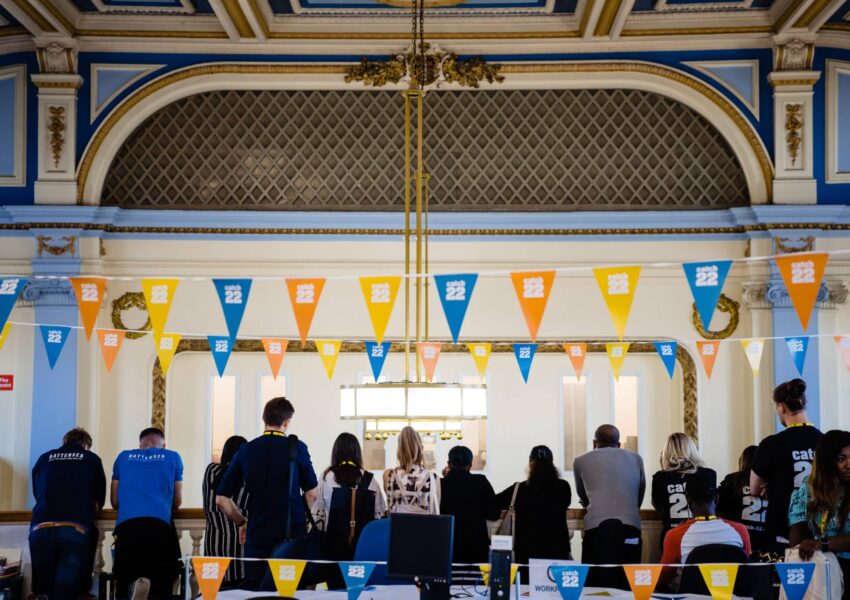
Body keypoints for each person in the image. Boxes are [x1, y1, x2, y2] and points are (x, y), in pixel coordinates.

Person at [216, 397, 318, 590]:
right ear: (286, 422)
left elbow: (221, 500)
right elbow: (312, 493)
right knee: (289, 592)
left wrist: (242, 523)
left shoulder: (246, 450)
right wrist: (299, 516)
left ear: (264, 419)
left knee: (256, 592)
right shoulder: (297, 447)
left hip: (257, 535)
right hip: (291, 535)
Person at [29, 427, 106, 600]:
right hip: (74, 530)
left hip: (40, 529)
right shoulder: (91, 459)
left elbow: (38, 493)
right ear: (86, 446)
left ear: (64, 442)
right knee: (66, 592)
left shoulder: (44, 458)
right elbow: (97, 502)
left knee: (44, 591)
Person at [111, 427, 184, 600]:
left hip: (127, 527)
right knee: (161, 579)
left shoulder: (123, 457)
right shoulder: (172, 456)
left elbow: (114, 502)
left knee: (125, 578)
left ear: (140, 444)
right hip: (158, 527)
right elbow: (177, 501)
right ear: (163, 445)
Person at [751, 379, 822, 552]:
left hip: (783, 529)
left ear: (781, 407)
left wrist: (775, 485)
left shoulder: (771, 444)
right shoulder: (825, 441)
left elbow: (754, 489)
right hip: (820, 528)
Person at [573, 425, 645, 588]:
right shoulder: (636, 458)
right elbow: (639, 495)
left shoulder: (580, 461)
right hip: (630, 527)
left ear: (594, 442)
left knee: (595, 585)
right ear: (619, 444)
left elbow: (583, 496)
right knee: (627, 585)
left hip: (596, 530)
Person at [659, 475, 751, 588]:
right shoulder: (741, 531)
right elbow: (748, 570)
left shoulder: (675, 535)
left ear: (688, 501)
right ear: (717, 498)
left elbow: (663, 578)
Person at [788, 430, 850, 591]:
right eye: (841, 459)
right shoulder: (808, 489)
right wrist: (801, 548)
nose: (848, 465)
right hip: (822, 567)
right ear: (826, 462)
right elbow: (798, 525)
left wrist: (821, 544)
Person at [496, 445, 571, 577]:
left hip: (526, 554)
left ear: (530, 463)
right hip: (557, 552)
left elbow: (494, 502)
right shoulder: (563, 487)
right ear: (552, 463)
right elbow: (566, 503)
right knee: (556, 594)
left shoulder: (519, 489)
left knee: (526, 593)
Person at [311, 432, 385, 552]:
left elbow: (318, 514)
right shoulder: (369, 478)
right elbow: (379, 514)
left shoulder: (326, 477)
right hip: (362, 543)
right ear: (357, 452)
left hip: (333, 544)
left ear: (335, 452)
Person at [440, 446, 500, 571]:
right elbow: (494, 514)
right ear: (470, 465)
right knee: (477, 588)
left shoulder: (441, 484)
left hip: (448, 549)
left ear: (449, 464)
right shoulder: (481, 482)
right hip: (476, 550)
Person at [202, 435, 249, 588]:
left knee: (212, 594)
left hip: (213, 549)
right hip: (239, 553)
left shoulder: (211, 471)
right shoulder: (247, 478)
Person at [651, 432, 717, 541]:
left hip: (672, 535)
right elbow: (713, 504)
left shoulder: (660, 477)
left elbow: (658, 506)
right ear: (692, 450)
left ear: (667, 452)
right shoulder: (709, 474)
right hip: (703, 534)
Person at [718, 445, 770, 553]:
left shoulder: (732, 480)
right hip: (765, 541)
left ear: (743, 461)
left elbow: (720, 508)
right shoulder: (770, 482)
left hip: (736, 539)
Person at [383, 426, 439, 514]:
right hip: (423, 527)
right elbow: (435, 510)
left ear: (399, 451)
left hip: (396, 527)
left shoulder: (388, 475)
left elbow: (390, 501)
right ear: (421, 449)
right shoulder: (433, 478)